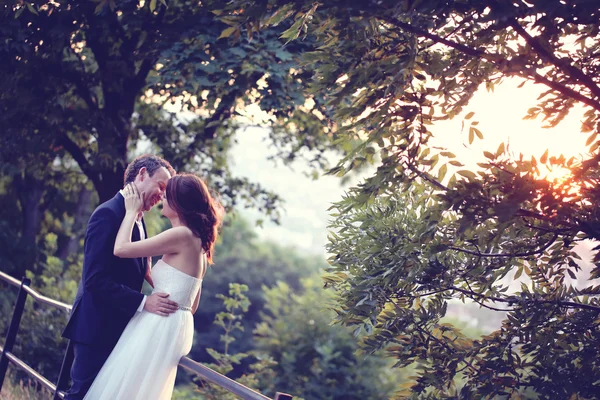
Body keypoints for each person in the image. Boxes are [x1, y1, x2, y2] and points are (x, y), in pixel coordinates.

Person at [83, 173, 223, 399]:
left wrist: (131, 212)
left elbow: (121, 249)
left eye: (168, 195)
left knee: (126, 386)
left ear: (179, 204)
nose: (162, 198)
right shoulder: (199, 243)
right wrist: (153, 278)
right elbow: (191, 303)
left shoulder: (181, 234)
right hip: (175, 324)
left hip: (158, 324)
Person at [62, 154, 178, 400]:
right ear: (142, 174)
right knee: (81, 394)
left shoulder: (138, 216)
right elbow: (94, 280)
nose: (162, 196)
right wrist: (144, 302)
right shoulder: (108, 214)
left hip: (119, 329)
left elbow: (136, 268)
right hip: (95, 329)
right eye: (161, 186)